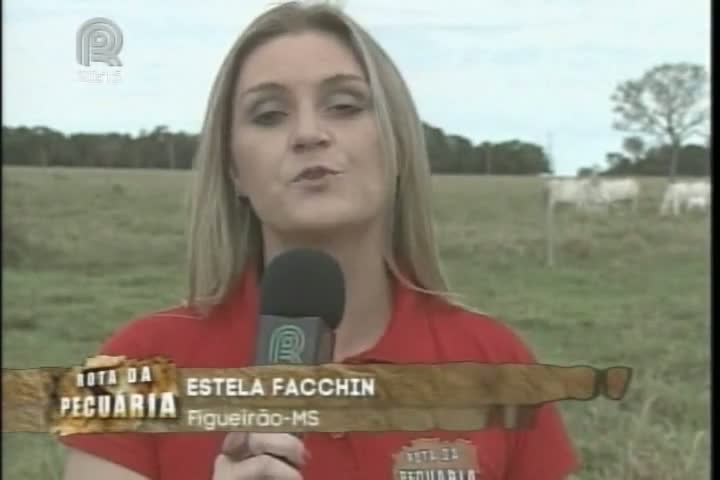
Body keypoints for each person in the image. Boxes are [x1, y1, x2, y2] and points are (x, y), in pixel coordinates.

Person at [61, 2, 579, 479]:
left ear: (395, 144)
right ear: (234, 170)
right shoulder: (128, 369)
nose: (308, 134)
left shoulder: (498, 362)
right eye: (268, 115)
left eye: (345, 105)